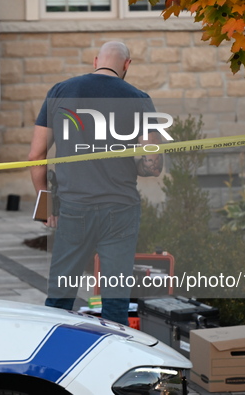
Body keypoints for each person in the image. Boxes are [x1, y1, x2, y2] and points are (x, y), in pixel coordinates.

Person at [28, 41, 164, 326]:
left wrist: (45, 204)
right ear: (127, 65)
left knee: (60, 295)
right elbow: (152, 164)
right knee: (116, 298)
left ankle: (51, 358)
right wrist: (140, 161)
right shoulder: (139, 98)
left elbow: (36, 154)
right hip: (121, 209)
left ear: (95, 61)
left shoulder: (60, 92)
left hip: (74, 207)